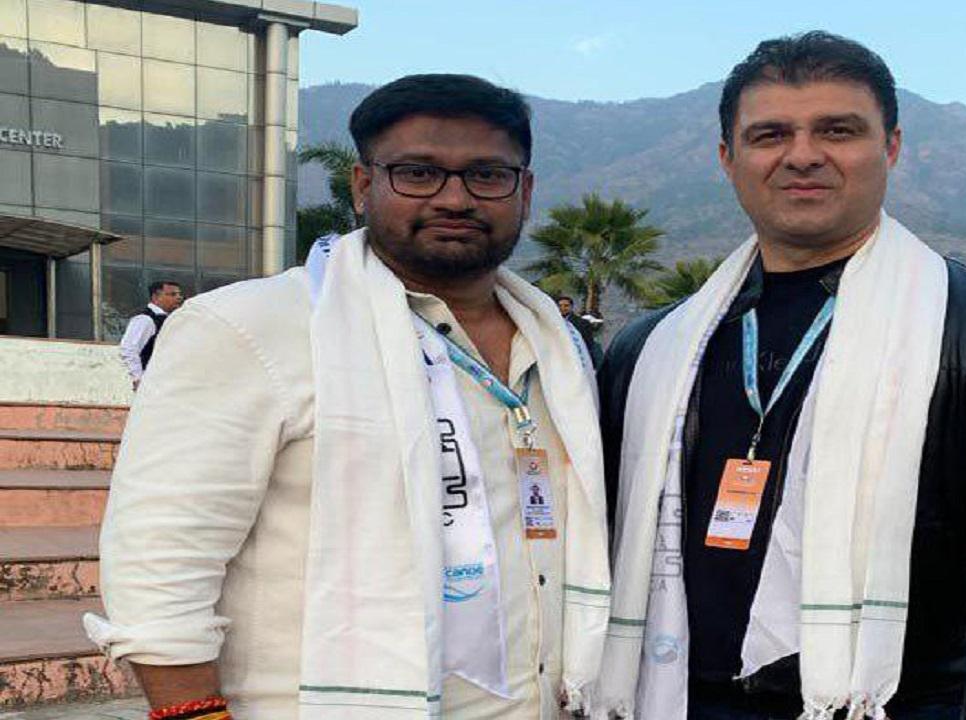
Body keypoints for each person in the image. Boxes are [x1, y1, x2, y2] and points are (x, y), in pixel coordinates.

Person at [595, 32, 966, 720]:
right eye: (770, 134)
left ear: (890, 146)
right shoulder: (654, 346)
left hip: (895, 702)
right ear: (727, 158)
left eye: (838, 130)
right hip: (668, 697)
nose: (803, 154)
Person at [87, 74, 611, 719]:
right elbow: (161, 558)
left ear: (524, 191)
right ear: (364, 186)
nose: (455, 197)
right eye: (418, 173)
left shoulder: (559, 349)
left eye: (487, 175)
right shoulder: (251, 327)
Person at [118, 280, 183, 389]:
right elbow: (129, 349)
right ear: (156, 297)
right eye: (172, 294)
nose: (178, 298)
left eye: (179, 294)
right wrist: (138, 378)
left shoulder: (171, 319)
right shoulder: (145, 319)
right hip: (153, 383)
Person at [558, 295, 605, 367]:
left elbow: (588, 343)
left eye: (566, 306)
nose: (562, 308)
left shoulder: (583, 323)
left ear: (571, 307)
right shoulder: (552, 322)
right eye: (560, 306)